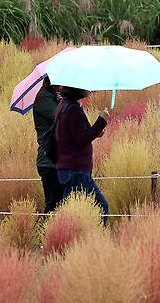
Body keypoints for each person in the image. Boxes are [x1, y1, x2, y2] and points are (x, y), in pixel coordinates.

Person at [53, 86, 110, 224]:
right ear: (77, 88)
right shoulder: (73, 109)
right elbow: (81, 139)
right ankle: (95, 241)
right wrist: (101, 120)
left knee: (72, 214)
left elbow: (74, 135)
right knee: (101, 206)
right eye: (86, 87)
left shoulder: (64, 105)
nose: (89, 89)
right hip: (76, 172)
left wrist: (96, 131)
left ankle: (69, 240)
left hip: (68, 169)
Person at [33, 77, 62, 214]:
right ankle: (43, 234)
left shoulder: (52, 96)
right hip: (49, 161)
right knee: (53, 206)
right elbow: (61, 120)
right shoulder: (44, 98)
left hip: (57, 160)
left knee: (59, 205)